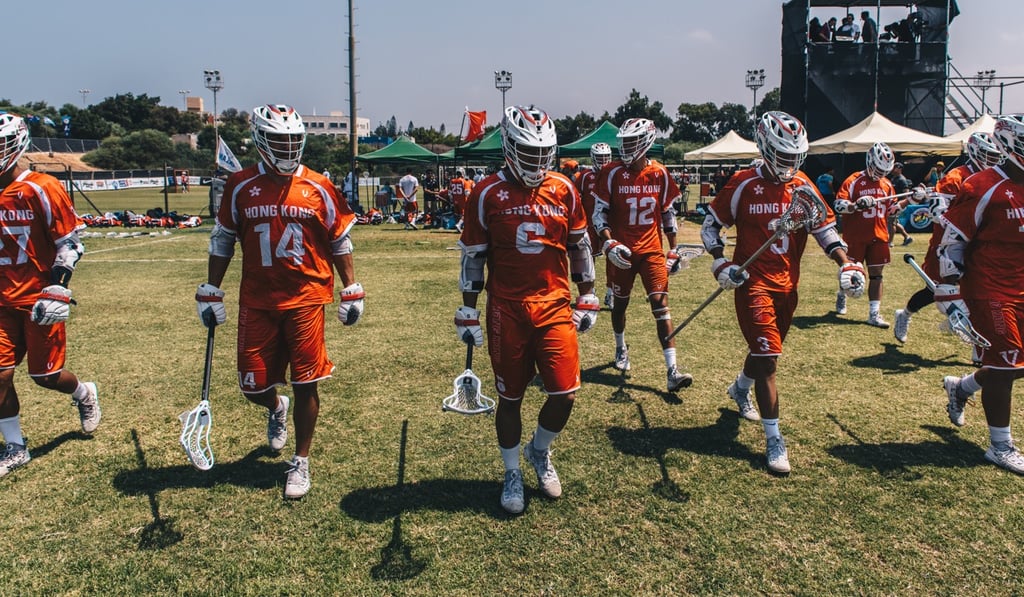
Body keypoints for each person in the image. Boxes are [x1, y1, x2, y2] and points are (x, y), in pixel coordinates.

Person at [195, 104, 364, 499]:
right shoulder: (240, 184)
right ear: (260, 139)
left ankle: (300, 461)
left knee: (307, 381)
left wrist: (352, 286)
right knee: (252, 386)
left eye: (292, 140)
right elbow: (223, 238)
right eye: (278, 140)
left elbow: (340, 239)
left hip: (306, 298)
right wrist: (211, 289)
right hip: (257, 300)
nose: (287, 148)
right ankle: (275, 407)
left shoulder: (319, 185)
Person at [703, 111, 864, 474]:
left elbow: (824, 229)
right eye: (783, 154)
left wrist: (846, 262)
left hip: (788, 284)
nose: (789, 162)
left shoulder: (803, 184)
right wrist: (719, 262)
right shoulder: (743, 182)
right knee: (768, 358)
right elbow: (711, 227)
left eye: (795, 155)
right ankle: (774, 438)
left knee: (765, 353)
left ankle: (740, 388)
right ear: (764, 146)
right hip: (752, 282)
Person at [456, 105, 597, 514]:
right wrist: (468, 310)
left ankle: (539, 449)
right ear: (509, 147)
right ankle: (512, 471)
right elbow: (474, 256)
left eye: (542, 152)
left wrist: (587, 293)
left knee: (565, 394)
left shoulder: (564, 188)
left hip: (554, 305)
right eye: (528, 151)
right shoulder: (486, 192)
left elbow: (580, 245)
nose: (536, 161)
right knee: (511, 397)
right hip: (507, 308)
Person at [0, 114, 99, 478]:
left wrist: (58, 286)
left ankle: (83, 393)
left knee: (46, 376)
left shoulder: (41, 187)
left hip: (38, 300)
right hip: (1, 301)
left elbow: (70, 244)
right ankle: (15, 447)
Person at [937, 115, 1024, 474]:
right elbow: (952, 243)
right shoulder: (982, 185)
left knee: (1016, 365)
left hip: (1020, 285)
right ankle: (1000, 446)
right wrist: (950, 291)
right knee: (1005, 365)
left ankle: (962, 387)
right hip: (990, 287)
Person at [592, 118, 693, 392]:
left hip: (651, 250)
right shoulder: (611, 172)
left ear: (646, 142)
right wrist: (609, 243)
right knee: (619, 306)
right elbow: (598, 214)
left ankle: (672, 370)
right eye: (624, 142)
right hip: (622, 252)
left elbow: (668, 214)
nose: (626, 147)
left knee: (661, 305)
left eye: (631, 142)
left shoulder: (659, 173)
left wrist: (674, 248)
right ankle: (620, 346)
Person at [894, 133, 1004, 345]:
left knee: (977, 290)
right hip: (948, 243)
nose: (992, 160)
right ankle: (905, 314)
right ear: (975, 152)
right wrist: (937, 206)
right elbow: (938, 211)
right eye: (988, 155)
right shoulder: (956, 177)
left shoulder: (995, 179)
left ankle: (975, 344)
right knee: (935, 289)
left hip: (978, 244)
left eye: (995, 155)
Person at [832, 141, 898, 328]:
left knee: (877, 275)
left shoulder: (887, 184)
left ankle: (874, 314)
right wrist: (855, 205)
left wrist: (911, 199)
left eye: (884, 170)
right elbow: (838, 205)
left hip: (879, 236)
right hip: (856, 236)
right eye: (878, 168)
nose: (880, 173)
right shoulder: (854, 180)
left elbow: (892, 210)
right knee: (850, 272)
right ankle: (842, 294)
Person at [575, 142, 613, 307]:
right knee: (588, 259)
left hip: (608, 224)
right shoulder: (585, 176)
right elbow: (576, 199)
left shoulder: (613, 174)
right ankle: (590, 292)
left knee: (612, 257)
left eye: (605, 157)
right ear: (592, 157)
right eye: (599, 157)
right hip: (589, 225)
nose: (603, 160)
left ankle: (611, 292)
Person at [886, 162, 913, 246]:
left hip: (898, 204)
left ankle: (890, 242)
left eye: (895, 167)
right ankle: (907, 237)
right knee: (894, 222)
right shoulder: (894, 178)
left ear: (899, 169)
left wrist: (900, 204)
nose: (892, 169)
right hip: (893, 203)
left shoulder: (902, 180)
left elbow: (906, 193)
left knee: (891, 222)